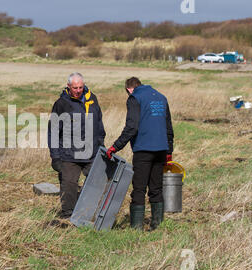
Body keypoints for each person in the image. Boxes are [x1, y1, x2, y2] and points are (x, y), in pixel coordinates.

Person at [106, 77, 174, 231]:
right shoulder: (161, 97)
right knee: (156, 188)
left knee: (139, 189)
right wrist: (169, 151)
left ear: (129, 89)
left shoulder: (134, 98)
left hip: (143, 150)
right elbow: (168, 127)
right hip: (161, 150)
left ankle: (136, 228)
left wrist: (115, 147)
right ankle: (157, 226)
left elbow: (132, 127)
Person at [48, 72, 106, 219]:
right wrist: (55, 156)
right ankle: (68, 216)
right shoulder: (61, 104)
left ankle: (90, 212)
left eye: (81, 87)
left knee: (97, 182)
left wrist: (101, 144)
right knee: (69, 184)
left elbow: (99, 123)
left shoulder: (92, 99)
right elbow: (53, 132)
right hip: (69, 154)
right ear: (68, 86)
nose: (78, 90)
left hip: (91, 152)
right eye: (75, 88)